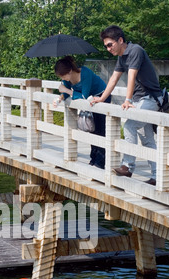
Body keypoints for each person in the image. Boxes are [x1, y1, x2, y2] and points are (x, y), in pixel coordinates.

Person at [91, 25, 163, 186]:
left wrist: (127, 100)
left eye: (110, 44)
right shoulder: (121, 57)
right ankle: (158, 176)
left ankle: (128, 166)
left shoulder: (135, 51)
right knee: (147, 139)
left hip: (151, 98)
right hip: (140, 100)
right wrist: (102, 98)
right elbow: (113, 79)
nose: (108, 48)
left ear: (120, 40)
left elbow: (131, 77)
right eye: (106, 46)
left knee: (130, 126)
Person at [54, 56, 111, 169]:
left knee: (100, 130)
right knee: (92, 129)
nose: (63, 79)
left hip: (101, 97)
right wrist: (60, 98)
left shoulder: (85, 73)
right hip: (91, 101)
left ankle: (101, 162)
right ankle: (93, 158)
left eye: (63, 76)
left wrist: (65, 90)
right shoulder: (68, 79)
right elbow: (67, 94)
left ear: (69, 71)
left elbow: (84, 97)